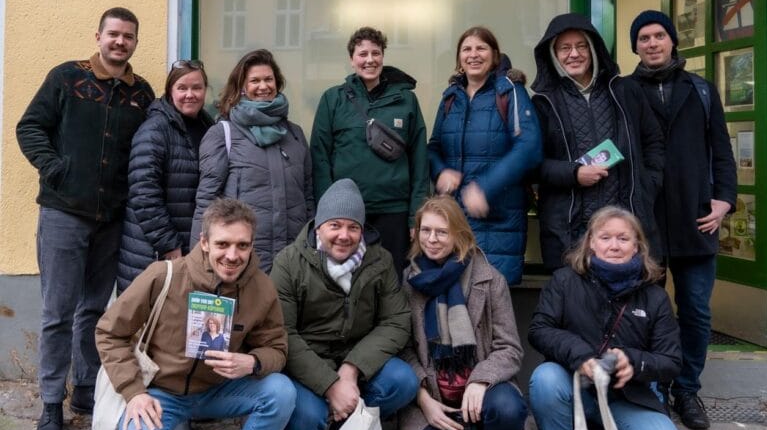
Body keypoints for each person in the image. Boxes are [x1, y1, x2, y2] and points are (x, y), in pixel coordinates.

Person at [95, 199, 295, 430]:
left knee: (281, 391)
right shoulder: (164, 276)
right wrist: (133, 392)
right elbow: (109, 332)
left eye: (242, 245)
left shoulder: (261, 288)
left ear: (251, 246)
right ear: (204, 242)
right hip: (161, 394)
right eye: (223, 244)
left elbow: (277, 347)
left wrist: (252, 361)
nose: (233, 255)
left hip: (220, 390)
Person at [16, 7, 155, 430]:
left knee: (95, 310)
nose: (120, 42)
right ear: (98, 36)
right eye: (113, 34)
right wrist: (57, 169)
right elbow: (30, 127)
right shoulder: (66, 78)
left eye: (128, 36)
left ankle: (85, 390)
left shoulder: (142, 94)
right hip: (63, 212)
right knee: (58, 312)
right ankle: (51, 405)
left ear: (135, 42)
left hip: (112, 219)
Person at [528, 206, 687, 430]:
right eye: (606, 237)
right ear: (591, 243)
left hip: (631, 396)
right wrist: (581, 355)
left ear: (637, 245)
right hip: (577, 388)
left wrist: (636, 362)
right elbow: (539, 329)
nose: (614, 245)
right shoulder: (565, 281)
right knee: (545, 379)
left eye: (623, 239)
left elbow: (671, 360)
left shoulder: (654, 296)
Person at [629, 10, 737, 430]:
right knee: (646, 313)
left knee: (694, 311)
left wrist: (725, 200)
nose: (652, 43)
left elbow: (722, 153)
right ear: (635, 47)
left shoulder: (701, 90)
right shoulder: (625, 91)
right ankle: (652, 387)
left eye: (659, 36)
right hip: (646, 224)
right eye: (644, 38)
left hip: (697, 222)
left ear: (673, 41)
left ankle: (687, 389)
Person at [393, 196, 533, 430]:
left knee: (510, 409)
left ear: (459, 234)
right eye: (425, 230)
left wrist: (480, 380)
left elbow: (510, 348)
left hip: (483, 394)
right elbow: (401, 348)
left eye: (441, 232)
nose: (431, 239)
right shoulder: (408, 281)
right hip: (433, 395)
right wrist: (424, 400)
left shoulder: (490, 280)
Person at [270, 178, 418, 430]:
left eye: (353, 227)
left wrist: (352, 369)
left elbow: (397, 320)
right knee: (307, 417)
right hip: (309, 363)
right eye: (334, 225)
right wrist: (330, 385)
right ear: (319, 227)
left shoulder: (380, 260)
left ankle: (347, 427)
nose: (344, 235)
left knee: (403, 382)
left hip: (359, 356)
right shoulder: (288, 262)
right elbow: (282, 333)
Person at [531, 13, 665, 272]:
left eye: (581, 46)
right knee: (575, 308)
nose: (574, 54)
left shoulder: (625, 91)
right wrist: (574, 173)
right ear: (553, 53)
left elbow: (653, 142)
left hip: (625, 227)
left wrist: (650, 184)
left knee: (626, 304)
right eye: (564, 48)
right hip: (569, 230)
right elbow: (532, 165)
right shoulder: (543, 103)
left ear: (593, 49)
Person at [311, 26, 429, 276]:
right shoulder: (333, 99)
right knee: (346, 282)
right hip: (346, 215)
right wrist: (326, 214)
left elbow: (420, 161)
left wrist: (415, 217)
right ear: (352, 59)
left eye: (376, 53)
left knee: (392, 281)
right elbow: (320, 159)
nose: (369, 60)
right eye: (362, 54)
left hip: (394, 212)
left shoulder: (406, 100)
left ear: (383, 57)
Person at [428, 26, 542, 285]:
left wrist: (484, 188)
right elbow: (434, 146)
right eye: (466, 49)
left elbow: (530, 147)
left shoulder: (510, 91)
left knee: (492, 305)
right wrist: (440, 170)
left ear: (495, 55)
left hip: (498, 220)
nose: (473, 54)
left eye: (481, 48)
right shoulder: (450, 97)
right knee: (455, 305)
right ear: (459, 58)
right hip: (455, 219)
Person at [191, 49, 314, 273]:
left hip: (293, 263)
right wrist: (199, 265)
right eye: (254, 81)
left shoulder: (295, 135)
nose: (263, 86)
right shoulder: (222, 134)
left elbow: (308, 198)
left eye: (269, 79)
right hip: (239, 262)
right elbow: (206, 203)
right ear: (242, 88)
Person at [117, 60, 214, 293]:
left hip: (190, 246)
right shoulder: (155, 130)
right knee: (152, 322)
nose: (190, 95)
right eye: (182, 88)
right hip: (154, 251)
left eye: (197, 88)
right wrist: (168, 243)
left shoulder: (208, 127)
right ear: (170, 91)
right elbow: (143, 193)